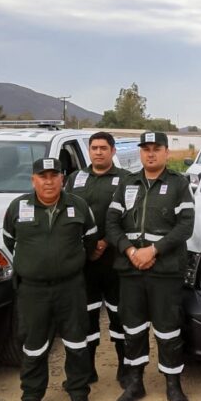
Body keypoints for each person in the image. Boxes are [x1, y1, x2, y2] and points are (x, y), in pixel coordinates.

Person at [3, 157, 98, 401]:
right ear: (33, 180)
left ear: (62, 179)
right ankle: (31, 398)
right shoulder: (17, 207)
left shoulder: (78, 206)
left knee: (77, 342)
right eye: (42, 176)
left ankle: (79, 393)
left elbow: (90, 241)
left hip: (70, 287)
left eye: (53, 175)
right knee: (33, 346)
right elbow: (10, 240)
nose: (48, 181)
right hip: (33, 290)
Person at [106, 131, 195, 401]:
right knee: (133, 329)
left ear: (167, 153)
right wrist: (131, 251)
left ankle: (173, 385)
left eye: (157, 149)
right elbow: (111, 223)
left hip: (165, 270)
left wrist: (153, 250)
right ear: (140, 153)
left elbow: (185, 226)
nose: (151, 154)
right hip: (131, 270)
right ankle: (134, 383)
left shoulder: (179, 184)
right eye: (146, 149)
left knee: (168, 330)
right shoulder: (126, 183)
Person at [64, 132, 129, 383]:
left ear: (113, 151)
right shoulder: (75, 178)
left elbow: (129, 219)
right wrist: (86, 247)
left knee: (118, 316)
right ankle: (87, 370)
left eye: (103, 148)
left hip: (114, 261)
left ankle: (124, 368)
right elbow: (67, 215)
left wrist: (103, 242)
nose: (98, 152)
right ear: (89, 151)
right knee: (86, 318)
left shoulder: (125, 180)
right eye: (94, 148)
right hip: (85, 263)